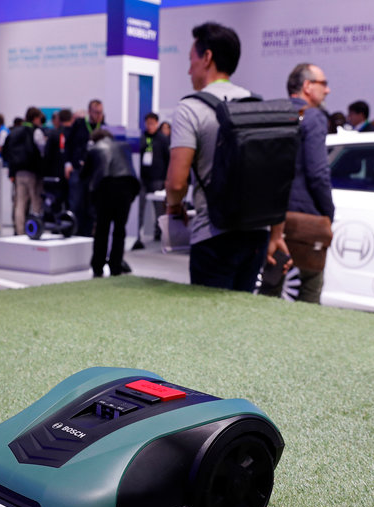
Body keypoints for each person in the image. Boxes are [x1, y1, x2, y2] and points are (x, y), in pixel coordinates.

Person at [165, 21, 288, 292]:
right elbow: (275, 177)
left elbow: (176, 183)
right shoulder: (258, 105)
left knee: (209, 315)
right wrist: (276, 233)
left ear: (207, 57)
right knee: (239, 312)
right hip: (256, 233)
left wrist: (174, 209)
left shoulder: (190, 108)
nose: (189, 69)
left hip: (213, 234)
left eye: (191, 59)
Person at [265, 62, 334, 303]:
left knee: (270, 291)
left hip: (272, 215)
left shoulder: (274, 114)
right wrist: (329, 213)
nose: (327, 90)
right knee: (309, 292)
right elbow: (318, 173)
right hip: (305, 219)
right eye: (323, 84)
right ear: (307, 86)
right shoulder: (313, 117)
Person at [82, 128, 140, 277]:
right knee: (120, 230)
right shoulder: (124, 146)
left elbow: (84, 174)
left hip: (105, 189)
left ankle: (98, 267)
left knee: (102, 229)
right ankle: (115, 267)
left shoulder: (94, 149)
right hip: (126, 188)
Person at [64, 99, 105, 236]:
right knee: (76, 203)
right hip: (78, 169)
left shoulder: (103, 127)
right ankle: (74, 232)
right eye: (96, 112)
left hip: (95, 172)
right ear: (89, 112)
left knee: (91, 205)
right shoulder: (79, 124)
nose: (98, 115)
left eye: (100, 112)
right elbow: (68, 144)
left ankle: (88, 234)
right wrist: (68, 163)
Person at [3, 106, 46, 234]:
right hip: (33, 172)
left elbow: (6, 151)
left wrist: (12, 170)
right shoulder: (36, 132)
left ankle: (20, 231)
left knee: (20, 204)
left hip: (18, 173)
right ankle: (36, 230)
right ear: (36, 118)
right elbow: (42, 150)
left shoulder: (14, 131)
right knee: (36, 203)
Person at [136, 112, 170, 246]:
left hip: (158, 178)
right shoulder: (142, 138)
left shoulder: (162, 139)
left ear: (156, 123)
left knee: (159, 208)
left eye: (152, 123)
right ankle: (137, 233)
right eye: (147, 123)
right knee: (140, 207)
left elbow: (168, 158)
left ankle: (159, 232)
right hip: (143, 177)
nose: (149, 126)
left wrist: (167, 178)